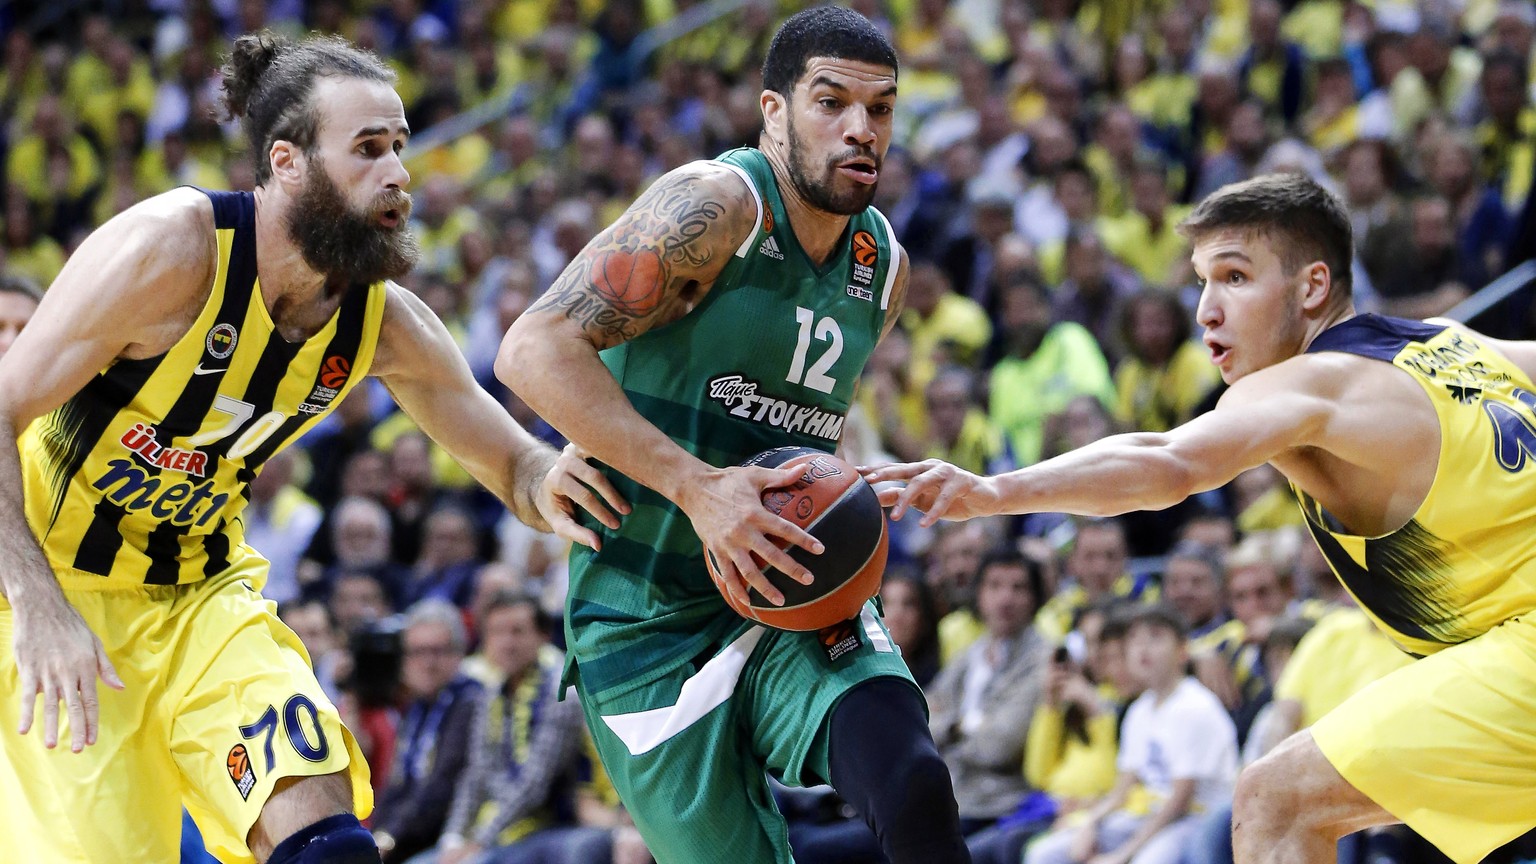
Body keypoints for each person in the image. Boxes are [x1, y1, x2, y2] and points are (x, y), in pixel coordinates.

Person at [0, 32, 620, 864]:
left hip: (203, 599)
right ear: (287, 163)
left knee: (330, 849)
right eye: (368, 149)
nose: (398, 173)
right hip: (57, 597)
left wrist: (574, 481)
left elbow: (516, 465)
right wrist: (37, 606)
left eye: (400, 146)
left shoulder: (382, 322)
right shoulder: (170, 250)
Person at [864, 171, 1536, 864]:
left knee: (1276, 802)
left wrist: (995, 491)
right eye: (1201, 282)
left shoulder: (1312, 380)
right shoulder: (1452, 343)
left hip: (1523, 650)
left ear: (1312, 287)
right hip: (1506, 655)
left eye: (1235, 278)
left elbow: (1168, 460)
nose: (1207, 312)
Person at [498, 8, 970, 864]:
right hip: (645, 620)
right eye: (832, 102)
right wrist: (693, 485)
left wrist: (848, 485)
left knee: (912, 785)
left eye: (881, 109)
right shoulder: (716, 205)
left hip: (792, 586)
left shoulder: (883, 268)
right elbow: (531, 349)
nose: (861, 129)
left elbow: (781, 424)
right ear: (773, 111)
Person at [1022, 604, 1237, 864]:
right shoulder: (1140, 709)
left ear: (1182, 651)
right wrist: (1090, 823)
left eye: (1155, 637)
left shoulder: (1196, 707)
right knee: (1044, 854)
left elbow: (1179, 801)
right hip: (1145, 814)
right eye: (1135, 639)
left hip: (1194, 820)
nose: (1142, 648)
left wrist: (1121, 855)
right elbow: (1123, 787)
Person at [372, 600, 483, 864]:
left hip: (448, 837)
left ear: (460, 653)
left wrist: (389, 839)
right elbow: (397, 784)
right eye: (417, 652)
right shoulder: (415, 708)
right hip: (411, 838)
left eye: (438, 651)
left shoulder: (471, 700)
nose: (427, 663)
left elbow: (441, 787)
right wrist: (375, 835)